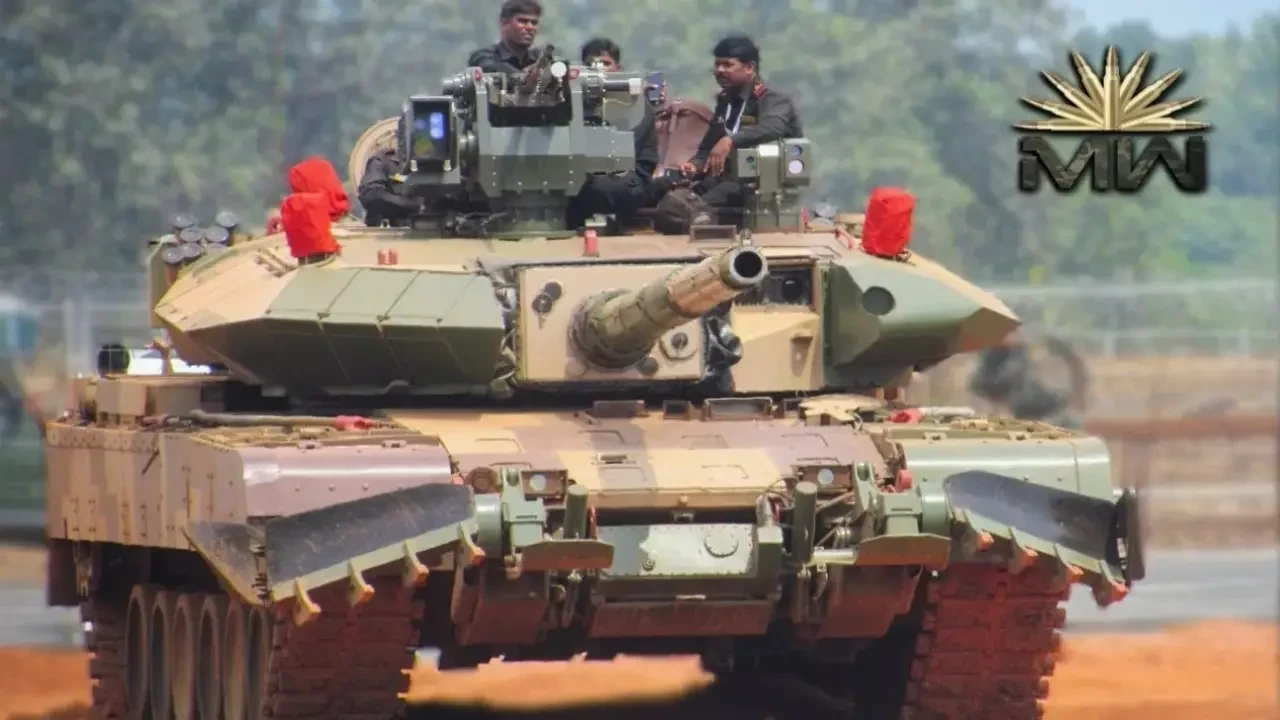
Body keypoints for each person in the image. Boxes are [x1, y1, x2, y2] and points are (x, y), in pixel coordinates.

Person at [655, 35, 803, 229]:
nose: (719, 70)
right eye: (717, 65)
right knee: (665, 197)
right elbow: (707, 147)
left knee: (686, 210)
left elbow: (774, 126)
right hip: (724, 177)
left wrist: (731, 141)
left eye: (727, 65)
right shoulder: (726, 102)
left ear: (749, 68)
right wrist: (694, 165)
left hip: (756, 182)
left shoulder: (771, 99)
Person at [566, 37, 662, 229]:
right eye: (591, 65)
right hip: (584, 173)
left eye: (605, 64)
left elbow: (623, 150)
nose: (599, 70)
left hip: (627, 174)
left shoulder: (634, 105)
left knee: (600, 188)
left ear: (618, 68)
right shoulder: (575, 102)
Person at [467, 0, 546, 75]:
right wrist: (524, 77)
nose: (530, 27)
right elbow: (489, 66)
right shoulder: (484, 56)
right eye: (522, 21)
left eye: (534, 22)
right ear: (504, 23)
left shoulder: (538, 60)